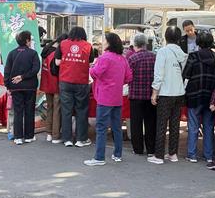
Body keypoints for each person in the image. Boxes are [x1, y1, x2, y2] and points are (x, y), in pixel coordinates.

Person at [84, 33, 132, 166]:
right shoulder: (122, 59)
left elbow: (95, 73)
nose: (102, 42)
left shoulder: (105, 58)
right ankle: (117, 154)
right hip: (117, 97)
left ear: (109, 43)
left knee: (101, 127)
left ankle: (99, 157)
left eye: (104, 40)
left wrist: (93, 67)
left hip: (105, 96)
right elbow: (129, 77)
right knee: (116, 127)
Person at [148, 26, 187, 165]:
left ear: (165, 37)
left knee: (161, 124)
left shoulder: (163, 52)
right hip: (179, 92)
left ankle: (159, 156)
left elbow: (159, 74)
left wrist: (154, 93)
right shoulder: (183, 53)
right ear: (178, 38)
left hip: (165, 93)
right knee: (175, 124)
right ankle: (172, 154)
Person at [182, 31, 215, 163]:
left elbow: (186, 74)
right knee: (209, 126)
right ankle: (208, 155)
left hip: (194, 95)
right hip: (211, 97)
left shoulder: (193, 56)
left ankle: (192, 154)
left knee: (193, 125)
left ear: (198, 43)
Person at [55, 26, 94, 147]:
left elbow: (57, 62)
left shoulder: (62, 44)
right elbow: (91, 62)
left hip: (65, 81)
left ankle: (67, 139)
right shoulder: (88, 46)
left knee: (66, 110)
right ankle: (80, 139)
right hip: (81, 82)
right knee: (81, 110)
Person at [4, 31, 40, 145]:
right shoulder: (33, 54)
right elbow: (35, 69)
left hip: (15, 87)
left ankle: (18, 137)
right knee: (29, 111)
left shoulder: (11, 54)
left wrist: (8, 85)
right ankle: (29, 136)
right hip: (30, 87)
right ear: (27, 41)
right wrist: (23, 77)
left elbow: (7, 71)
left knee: (18, 112)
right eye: (30, 39)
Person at [127, 33, 157, 156]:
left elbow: (128, 77)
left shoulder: (132, 59)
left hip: (135, 95)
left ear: (135, 45)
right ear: (145, 44)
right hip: (151, 95)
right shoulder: (154, 57)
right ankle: (151, 149)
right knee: (151, 123)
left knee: (136, 123)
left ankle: (138, 149)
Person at [40, 33, 68, 144]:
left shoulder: (46, 49)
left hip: (46, 83)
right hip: (57, 83)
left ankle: (48, 133)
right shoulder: (59, 52)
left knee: (50, 108)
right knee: (57, 109)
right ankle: (56, 135)